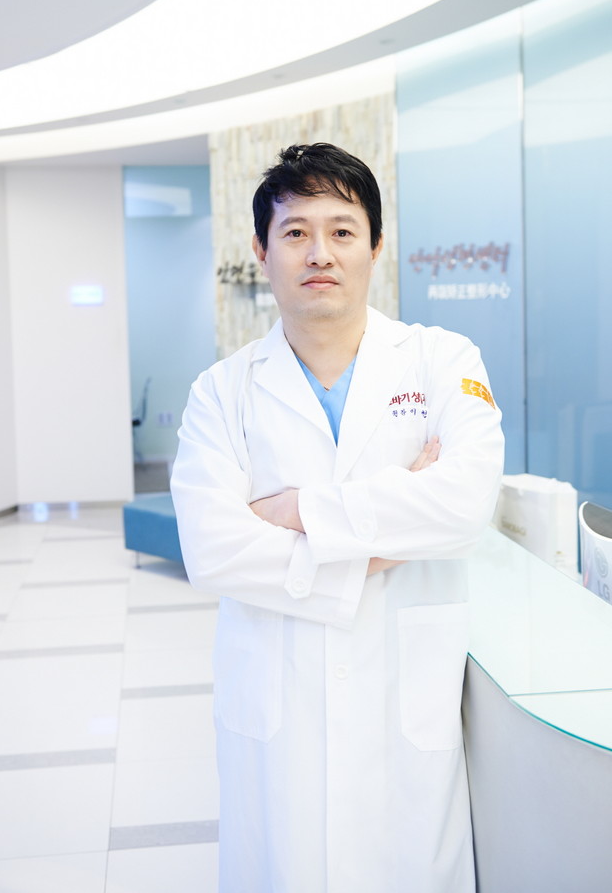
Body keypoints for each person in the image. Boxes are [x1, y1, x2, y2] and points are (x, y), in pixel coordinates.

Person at [170, 143, 504, 893]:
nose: (319, 252)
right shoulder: (221, 392)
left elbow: (464, 506)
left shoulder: (442, 360)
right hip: (277, 705)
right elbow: (213, 550)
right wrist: (386, 536)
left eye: (342, 230)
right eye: (295, 232)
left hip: (403, 703)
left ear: (375, 246)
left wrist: (295, 512)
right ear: (261, 251)